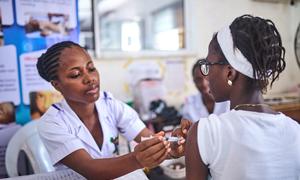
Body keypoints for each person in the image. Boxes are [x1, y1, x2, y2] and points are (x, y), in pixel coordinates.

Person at [36, 41, 183, 179]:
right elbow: (91, 170)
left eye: (91, 68)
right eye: (76, 74)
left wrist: (170, 149)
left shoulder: (110, 105)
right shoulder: (52, 123)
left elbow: (149, 139)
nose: (90, 79)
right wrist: (137, 159)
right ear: (57, 85)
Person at [179, 15, 300, 180]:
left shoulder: (206, 131)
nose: (206, 77)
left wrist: (196, 142)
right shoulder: (295, 131)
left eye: (208, 66)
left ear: (229, 72)